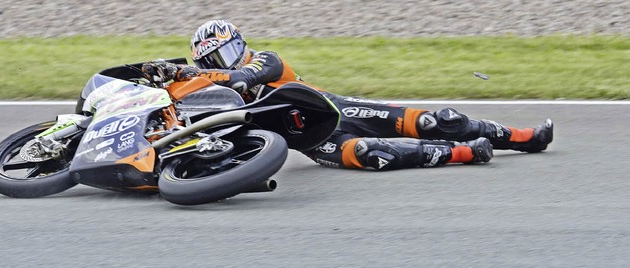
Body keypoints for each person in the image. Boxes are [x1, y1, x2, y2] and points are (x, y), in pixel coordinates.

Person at [141, 20, 553, 172]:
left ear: (241, 44)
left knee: (433, 120)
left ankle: (522, 137)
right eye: (216, 58)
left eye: (229, 50)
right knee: (368, 154)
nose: (228, 60)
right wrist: (170, 78)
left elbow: (243, 78)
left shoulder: (265, 59)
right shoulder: (209, 87)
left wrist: (196, 70)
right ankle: (467, 154)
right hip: (312, 138)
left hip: (334, 108)